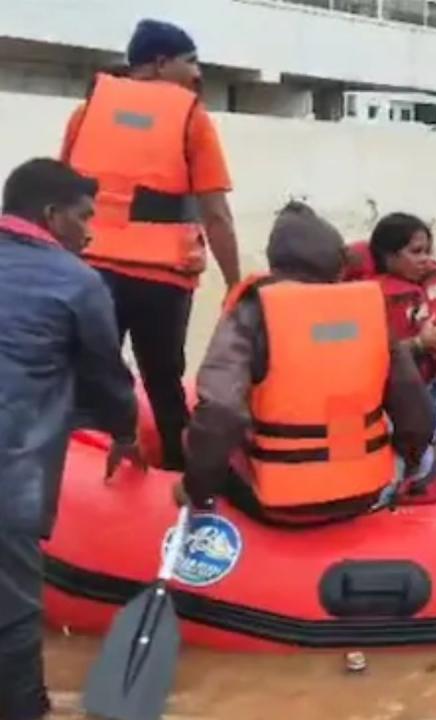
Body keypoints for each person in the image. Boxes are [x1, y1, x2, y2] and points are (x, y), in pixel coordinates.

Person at [178, 203, 434, 524]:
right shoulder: (368, 311)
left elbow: (220, 410)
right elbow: (419, 412)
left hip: (277, 502)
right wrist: (405, 462)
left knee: (196, 435)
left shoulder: (254, 310)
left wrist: (197, 487)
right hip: (364, 491)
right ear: (337, 263)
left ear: (275, 259)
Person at [61, 19, 242, 471]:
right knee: (164, 383)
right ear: (161, 62)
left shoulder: (87, 113)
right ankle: (177, 482)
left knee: (88, 376)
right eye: (191, 61)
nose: (198, 73)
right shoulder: (191, 118)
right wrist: (236, 284)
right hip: (161, 280)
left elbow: (60, 194)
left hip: (89, 272)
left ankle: (78, 479)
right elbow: (215, 213)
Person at [0, 159, 140, 720]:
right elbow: (108, 378)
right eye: (83, 217)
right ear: (52, 216)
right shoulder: (77, 282)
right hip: (11, 479)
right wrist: (127, 433)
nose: (89, 231)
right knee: (11, 616)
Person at [360, 213, 436, 444]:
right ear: (389, 256)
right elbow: (365, 356)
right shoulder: (366, 296)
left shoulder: (430, 281)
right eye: (416, 252)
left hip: (430, 385)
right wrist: (419, 344)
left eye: (427, 252)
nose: (425, 259)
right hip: (387, 395)